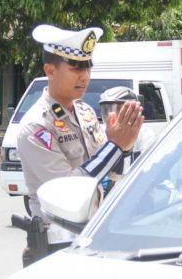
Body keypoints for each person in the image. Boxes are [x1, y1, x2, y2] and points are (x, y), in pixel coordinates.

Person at [16, 24, 143, 266]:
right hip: (58, 245)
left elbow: (107, 173)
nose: (84, 76)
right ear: (50, 70)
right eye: (75, 67)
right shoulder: (37, 126)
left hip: (95, 236)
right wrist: (115, 146)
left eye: (87, 66)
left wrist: (123, 147)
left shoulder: (84, 112)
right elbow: (69, 192)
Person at [99, 86, 156, 173]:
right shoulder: (99, 133)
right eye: (106, 110)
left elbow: (149, 169)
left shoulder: (144, 134)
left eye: (117, 109)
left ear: (132, 111)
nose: (110, 115)